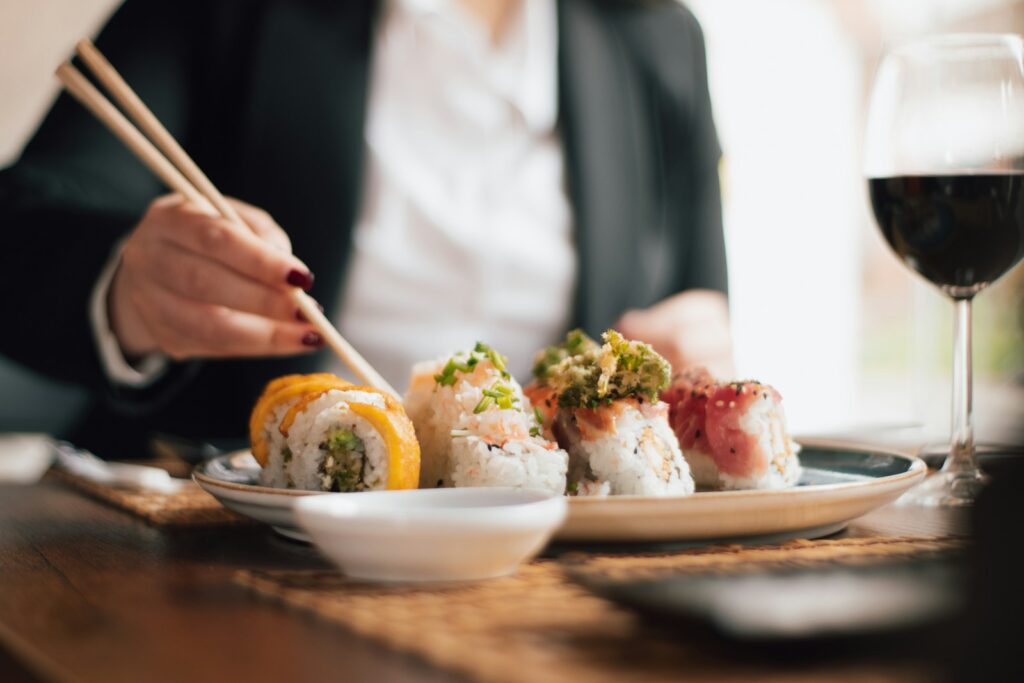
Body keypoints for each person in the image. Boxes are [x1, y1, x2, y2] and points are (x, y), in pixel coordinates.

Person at [0, 0, 731, 457]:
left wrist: (696, 340)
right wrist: (130, 288)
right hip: (236, 554)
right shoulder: (221, 11)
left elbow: (702, 307)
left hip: (559, 558)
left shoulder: (658, 39)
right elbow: (24, 224)